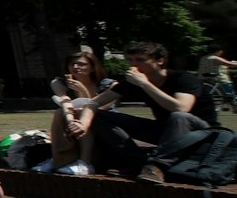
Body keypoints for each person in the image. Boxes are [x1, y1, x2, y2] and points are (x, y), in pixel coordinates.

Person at [84, 40, 219, 183]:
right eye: (130, 60)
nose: (134, 65)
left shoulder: (184, 78)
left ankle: (156, 167)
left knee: (179, 117)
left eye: (140, 60)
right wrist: (83, 122)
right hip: (167, 132)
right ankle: (135, 161)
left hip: (202, 133)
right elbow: (94, 103)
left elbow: (181, 108)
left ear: (160, 60)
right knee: (100, 116)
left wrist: (145, 84)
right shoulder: (133, 82)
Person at [41, 51, 113, 175]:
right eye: (72, 64)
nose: (75, 67)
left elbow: (99, 108)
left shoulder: (108, 85)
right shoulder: (59, 82)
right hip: (72, 121)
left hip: (102, 122)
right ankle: (59, 160)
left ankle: (85, 162)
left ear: (92, 67)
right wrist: (70, 121)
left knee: (80, 112)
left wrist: (82, 91)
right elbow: (65, 101)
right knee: (60, 112)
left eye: (81, 64)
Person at [200, 44, 235, 109]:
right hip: (218, 80)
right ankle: (233, 106)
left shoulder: (203, 58)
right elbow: (230, 64)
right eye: (221, 51)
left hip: (204, 80)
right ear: (217, 51)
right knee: (230, 95)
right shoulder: (215, 58)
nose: (222, 52)